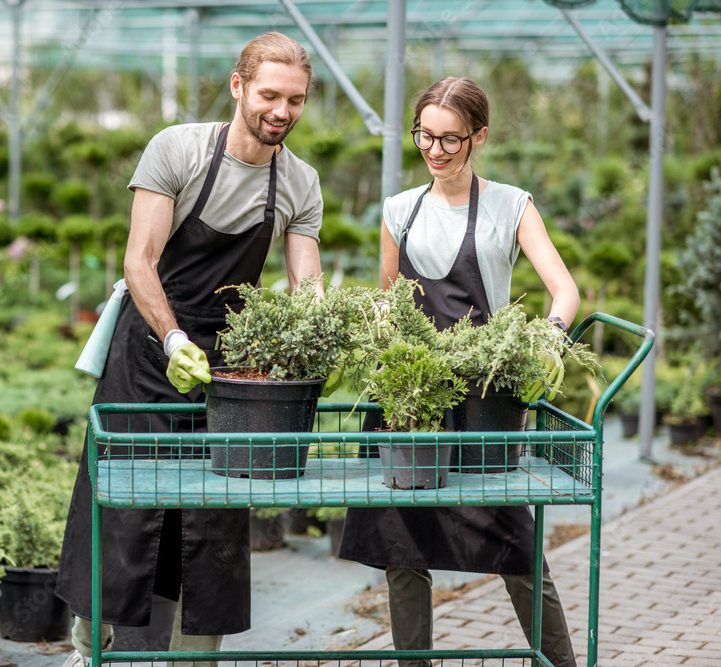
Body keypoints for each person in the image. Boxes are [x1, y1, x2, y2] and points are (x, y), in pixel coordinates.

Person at [56, 32, 324, 667]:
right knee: (121, 509)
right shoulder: (177, 149)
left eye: (296, 100)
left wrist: (317, 344)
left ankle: (194, 658)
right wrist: (173, 337)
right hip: (149, 353)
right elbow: (140, 261)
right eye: (269, 95)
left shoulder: (299, 183)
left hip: (231, 371)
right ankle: (87, 651)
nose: (281, 111)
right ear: (238, 87)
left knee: (214, 521)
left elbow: (307, 283)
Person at [337, 76, 581, 667]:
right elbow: (391, 303)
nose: (436, 150)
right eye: (426, 135)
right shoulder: (399, 209)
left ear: (479, 137)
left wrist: (546, 339)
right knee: (402, 545)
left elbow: (564, 289)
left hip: (485, 398)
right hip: (412, 395)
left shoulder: (511, 205)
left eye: (451, 138)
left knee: (513, 543)